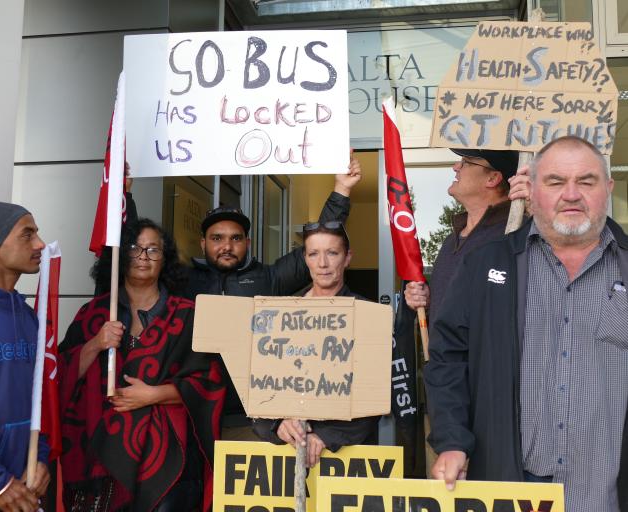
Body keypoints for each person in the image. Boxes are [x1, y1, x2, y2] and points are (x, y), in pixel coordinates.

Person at [425, 136, 628, 512]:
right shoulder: (486, 265)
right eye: (554, 182)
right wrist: (452, 440)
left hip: (606, 496)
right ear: (531, 191)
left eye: (586, 181)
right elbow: (447, 359)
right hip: (512, 490)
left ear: (608, 188)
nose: (571, 194)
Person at [186, 156, 362, 439]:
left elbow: (319, 244)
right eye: (217, 238)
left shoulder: (268, 279)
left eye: (236, 238)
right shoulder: (183, 281)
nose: (227, 246)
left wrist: (341, 190)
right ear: (203, 243)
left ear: (248, 243)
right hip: (194, 413)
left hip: (250, 419)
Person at [59, 219, 225, 512]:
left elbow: (209, 382)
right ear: (121, 256)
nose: (144, 257)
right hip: (99, 463)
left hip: (170, 461)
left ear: (166, 259)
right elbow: (60, 374)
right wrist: (95, 343)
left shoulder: (188, 315)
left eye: (153, 250)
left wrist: (154, 395)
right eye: (135, 248)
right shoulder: (93, 313)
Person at [252, 221, 379, 467]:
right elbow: (259, 388)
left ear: (347, 257)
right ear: (305, 259)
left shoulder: (368, 315)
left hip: (347, 457)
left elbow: (377, 397)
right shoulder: (280, 315)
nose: (322, 264)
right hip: (285, 455)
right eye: (313, 254)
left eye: (332, 253)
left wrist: (327, 436)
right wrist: (276, 425)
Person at [403, 149, 529, 322]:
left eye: (466, 162)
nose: (456, 167)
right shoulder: (451, 240)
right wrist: (427, 300)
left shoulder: (516, 234)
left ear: (492, 178)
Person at [0, 202, 51, 512]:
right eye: (27, 234)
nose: (40, 244)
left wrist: (40, 457)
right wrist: (1, 482)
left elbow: (41, 402)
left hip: (25, 490)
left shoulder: (32, 320)